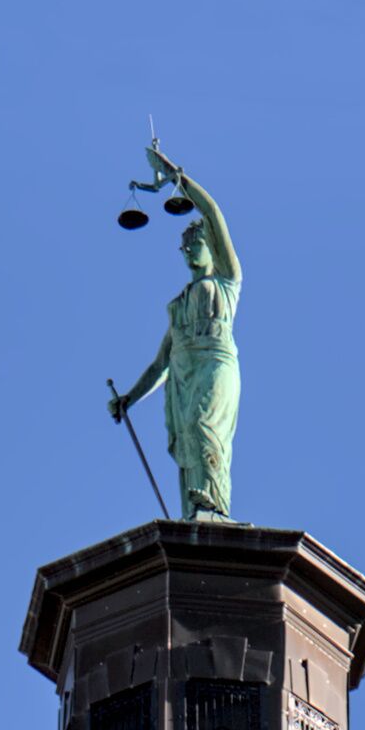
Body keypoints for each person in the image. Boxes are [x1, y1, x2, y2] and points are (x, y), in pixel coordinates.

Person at [110, 146, 243, 521]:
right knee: (188, 439)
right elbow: (160, 364)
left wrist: (175, 176)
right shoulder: (178, 304)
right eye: (183, 247)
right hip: (182, 374)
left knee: (205, 427)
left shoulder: (227, 282)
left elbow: (213, 212)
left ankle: (213, 505)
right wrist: (129, 399)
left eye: (194, 244)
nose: (187, 251)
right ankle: (195, 510)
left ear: (211, 248)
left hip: (214, 364)